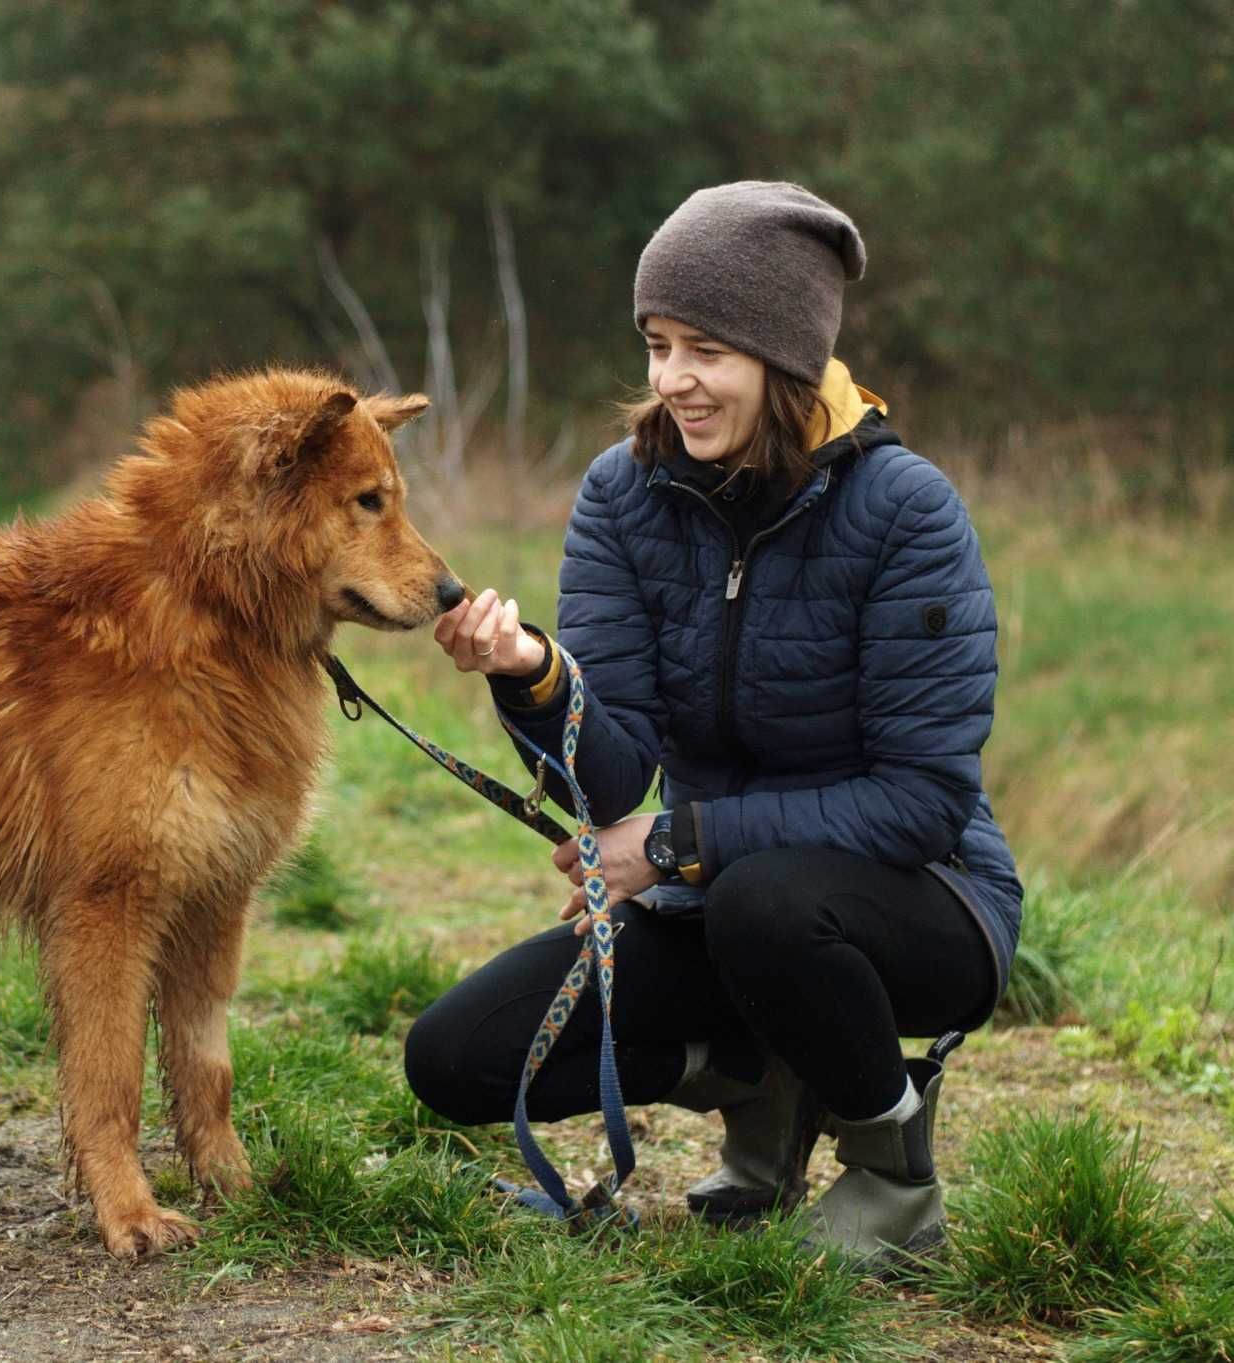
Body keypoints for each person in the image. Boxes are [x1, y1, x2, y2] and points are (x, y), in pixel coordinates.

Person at [402, 181, 1023, 1271]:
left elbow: (923, 801)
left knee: (766, 900)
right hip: (719, 903)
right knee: (453, 1056)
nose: (670, 380)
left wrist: (679, 843)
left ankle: (890, 1173)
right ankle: (763, 1081)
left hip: (922, 903)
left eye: (706, 349)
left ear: (783, 357)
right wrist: (531, 674)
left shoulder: (904, 510)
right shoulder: (622, 493)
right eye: (655, 343)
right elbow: (609, 782)